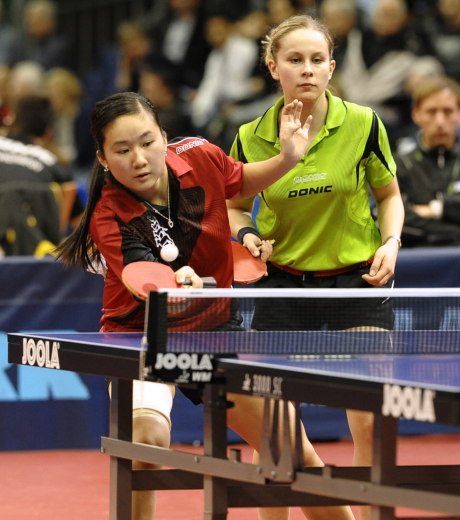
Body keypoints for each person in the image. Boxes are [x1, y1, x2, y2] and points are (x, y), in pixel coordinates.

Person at [54, 91, 355, 520]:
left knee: (291, 452)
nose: (138, 158)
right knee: (146, 438)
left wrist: (288, 158)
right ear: (102, 158)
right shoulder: (109, 212)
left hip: (212, 327)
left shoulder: (199, 155)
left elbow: (240, 181)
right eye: (122, 150)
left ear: (164, 136)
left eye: (147, 142)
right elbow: (142, 276)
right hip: (142, 336)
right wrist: (177, 281)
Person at [226, 14, 404, 520]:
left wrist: (390, 242)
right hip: (283, 287)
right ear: (273, 66)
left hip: (357, 281)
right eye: (294, 59)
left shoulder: (364, 123)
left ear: (331, 66)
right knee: (275, 427)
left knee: (371, 418)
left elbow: (389, 195)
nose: (306, 70)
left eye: (316, 60)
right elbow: (235, 203)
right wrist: (248, 235)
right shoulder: (251, 135)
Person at [395, 75, 460, 247]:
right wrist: (453, 225)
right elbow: (394, 217)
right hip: (415, 258)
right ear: (416, 115)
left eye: (448, 111)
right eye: (431, 112)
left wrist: (435, 209)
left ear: (459, 113)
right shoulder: (399, 164)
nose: (440, 122)